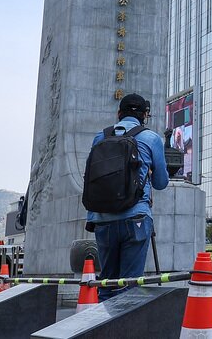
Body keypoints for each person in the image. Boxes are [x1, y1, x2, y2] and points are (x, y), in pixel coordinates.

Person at [88, 93, 169, 300]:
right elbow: (161, 183)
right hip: (136, 219)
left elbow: (92, 178)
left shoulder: (100, 137)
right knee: (129, 286)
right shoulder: (151, 138)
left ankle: (103, 329)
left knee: (107, 282)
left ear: (118, 114)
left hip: (103, 221)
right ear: (145, 115)